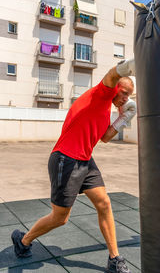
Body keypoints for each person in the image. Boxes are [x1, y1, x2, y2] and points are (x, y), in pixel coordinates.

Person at [11, 59, 136, 273]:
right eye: (124, 93)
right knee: (61, 218)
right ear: (115, 88)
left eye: (129, 96)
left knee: (104, 203)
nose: (126, 98)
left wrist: (124, 118)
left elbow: (105, 137)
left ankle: (114, 258)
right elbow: (113, 73)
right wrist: (138, 61)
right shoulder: (101, 93)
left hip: (85, 160)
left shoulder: (106, 108)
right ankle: (23, 240)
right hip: (65, 160)